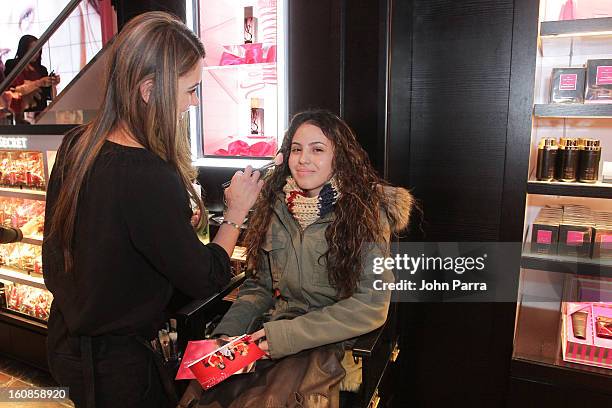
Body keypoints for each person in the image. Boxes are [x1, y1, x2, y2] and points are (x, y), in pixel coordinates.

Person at [42, 12, 264, 408]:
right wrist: (235, 213)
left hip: (66, 346)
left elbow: (69, 254)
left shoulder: (78, 144)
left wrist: (165, 230)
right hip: (119, 370)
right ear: (149, 90)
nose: (194, 102)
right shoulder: (145, 173)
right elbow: (206, 277)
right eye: (190, 90)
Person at [200, 109, 413, 406]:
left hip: (326, 340)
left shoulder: (366, 214)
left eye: (318, 150)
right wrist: (227, 335)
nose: (303, 159)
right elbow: (259, 286)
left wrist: (283, 337)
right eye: (296, 149)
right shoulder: (276, 207)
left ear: (339, 157)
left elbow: (371, 305)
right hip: (272, 330)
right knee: (204, 394)